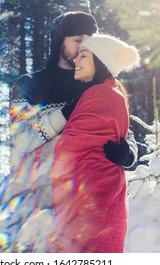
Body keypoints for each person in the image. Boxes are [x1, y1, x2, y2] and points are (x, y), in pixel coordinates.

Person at [9, 11, 138, 170]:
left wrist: (129, 154)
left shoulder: (98, 84)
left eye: (89, 41)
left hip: (89, 187)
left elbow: (122, 129)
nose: (83, 47)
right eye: (77, 40)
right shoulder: (29, 84)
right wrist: (66, 113)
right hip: (41, 189)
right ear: (58, 43)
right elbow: (20, 139)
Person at [48, 34, 140, 253]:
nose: (76, 61)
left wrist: (129, 155)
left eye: (83, 55)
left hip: (91, 205)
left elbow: (72, 146)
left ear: (100, 60)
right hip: (92, 203)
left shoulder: (103, 94)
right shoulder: (104, 91)